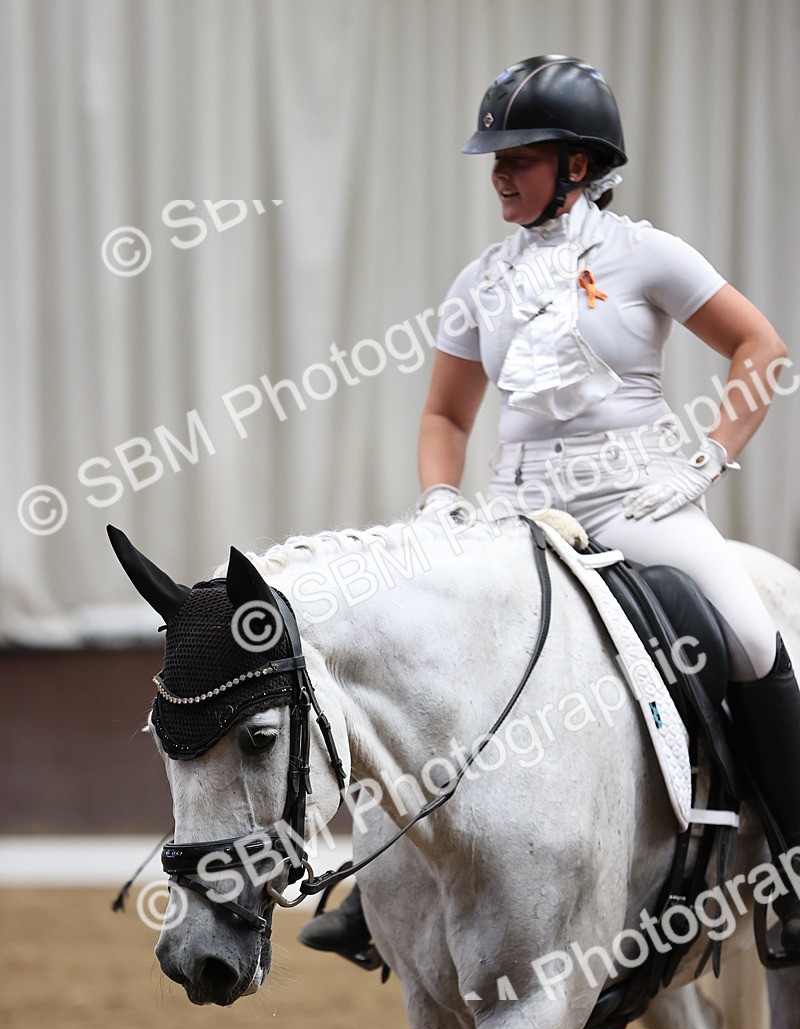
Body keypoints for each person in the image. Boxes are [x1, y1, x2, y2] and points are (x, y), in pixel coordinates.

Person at [299, 53, 800, 959]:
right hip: (515, 509)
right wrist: (440, 497)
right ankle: (378, 896)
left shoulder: (646, 253)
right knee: (414, 646)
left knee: (753, 637)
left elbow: (759, 347)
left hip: (636, 495)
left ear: (578, 164)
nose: (497, 174)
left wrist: (706, 461)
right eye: (493, 158)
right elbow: (447, 412)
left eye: (517, 157)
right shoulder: (481, 281)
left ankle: (795, 867)